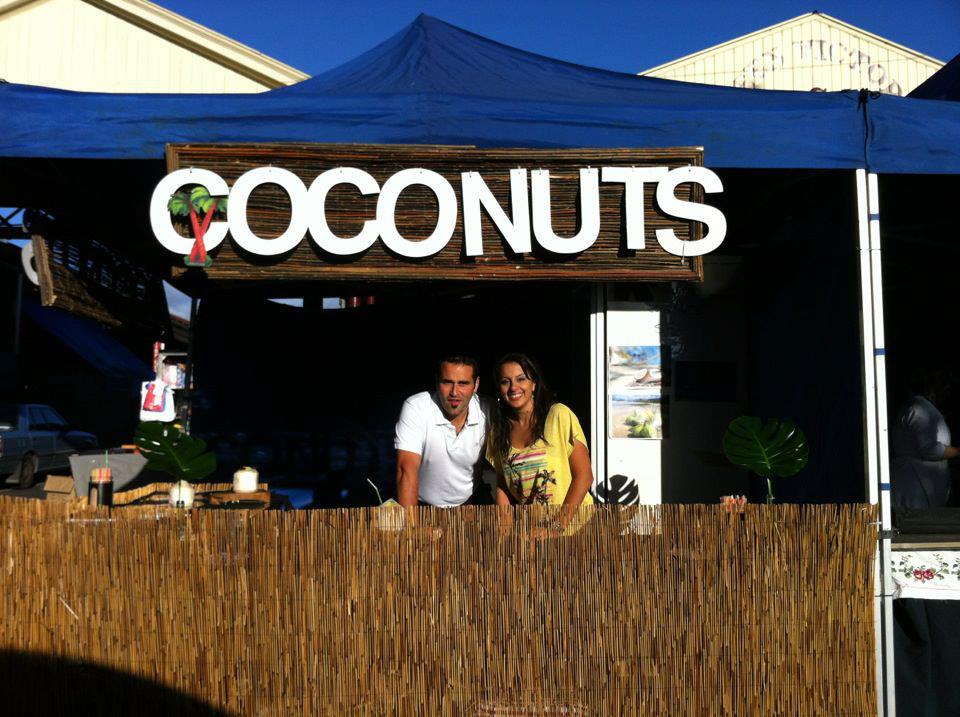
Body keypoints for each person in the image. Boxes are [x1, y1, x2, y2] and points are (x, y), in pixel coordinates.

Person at [486, 353, 594, 537]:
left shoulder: (558, 415)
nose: (513, 387)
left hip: (577, 530)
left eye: (521, 379)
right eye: (505, 382)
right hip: (533, 532)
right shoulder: (498, 431)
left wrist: (557, 527)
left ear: (534, 384)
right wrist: (505, 530)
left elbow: (584, 476)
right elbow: (502, 485)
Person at [394, 356, 492, 507]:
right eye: (447, 382)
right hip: (422, 504)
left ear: (476, 384)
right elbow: (406, 471)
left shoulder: (488, 410)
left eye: (463, 383)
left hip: (471, 501)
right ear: (437, 381)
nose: (454, 392)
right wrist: (410, 521)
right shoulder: (416, 407)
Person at [891, 368, 960, 509]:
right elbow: (930, 450)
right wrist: (958, 452)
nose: (947, 391)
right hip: (914, 490)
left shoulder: (922, 407)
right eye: (945, 385)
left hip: (920, 491)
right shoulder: (920, 408)